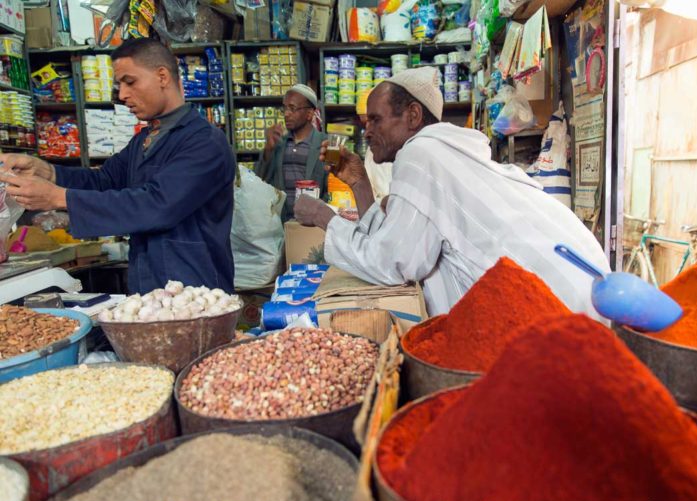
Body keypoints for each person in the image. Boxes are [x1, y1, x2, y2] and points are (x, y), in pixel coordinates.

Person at [293, 67, 609, 317]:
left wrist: (325, 217)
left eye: (376, 119)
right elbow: (397, 241)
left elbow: (394, 263)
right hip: (583, 297)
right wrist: (360, 182)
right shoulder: (443, 153)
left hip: (559, 315)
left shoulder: (421, 153)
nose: (367, 131)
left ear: (413, 116)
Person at [0, 38, 235, 294]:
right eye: (119, 85)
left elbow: (157, 205)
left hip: (197, 291)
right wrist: (46, 171)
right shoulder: (144, 140)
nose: (122, 95)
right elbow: (104, 182)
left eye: (130, 82)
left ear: (162, 76)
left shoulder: (204, 141)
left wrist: (58, 197)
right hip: (149, 290)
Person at [259, 84, 328, 220]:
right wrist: (268, 149)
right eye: (284, 108)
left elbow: (330, 191)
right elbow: (260, 183)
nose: (286, 114)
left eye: (292, 108)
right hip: (280, 225)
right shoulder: (278, 144)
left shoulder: (325, 144)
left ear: (309, 114)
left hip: (312, 227)